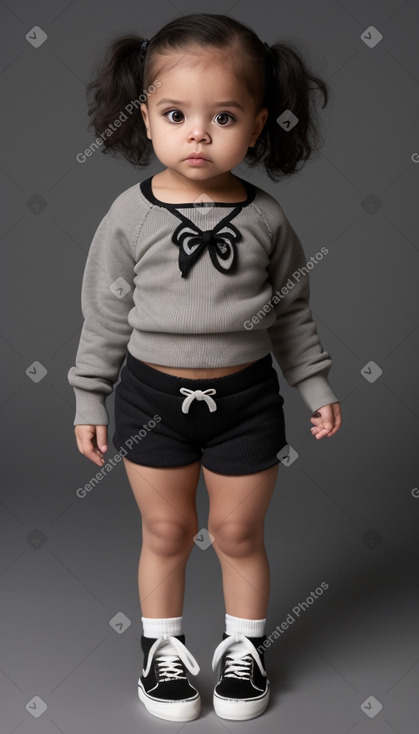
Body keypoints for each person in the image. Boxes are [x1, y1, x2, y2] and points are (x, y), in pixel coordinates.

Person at [68, 12, 342, 723]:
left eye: (222, 115)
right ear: (144, 120)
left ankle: (243, 651)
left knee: (237, 535)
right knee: (163, 533)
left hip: (246, 401)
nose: (198, 132)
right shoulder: (128, 216)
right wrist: (89, 397)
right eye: (175, 114)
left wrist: (313, 384)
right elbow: (102, 316)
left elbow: (291, 313)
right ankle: (162, 651)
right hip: (150, 399)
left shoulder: (267, 219)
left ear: (255, 126)